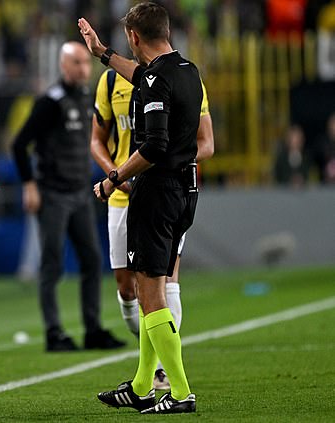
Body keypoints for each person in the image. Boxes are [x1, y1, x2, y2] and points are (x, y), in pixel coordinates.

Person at [79, 2, 202, 414]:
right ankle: (141, 386)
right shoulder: (187, 71)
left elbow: (152, 146)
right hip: (186, 192)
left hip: (157, 195)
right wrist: (100, 52)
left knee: (152, 298)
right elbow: (147, 77)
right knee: (158, 291)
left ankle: (181, 394)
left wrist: (112, 178)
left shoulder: (156, 81)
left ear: (134, 37)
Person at [90, 67, 214, 390]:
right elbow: (96, 141)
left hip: (164, 190)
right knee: (129, 288)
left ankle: (164, 379)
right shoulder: (110, 82)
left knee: (163, 282)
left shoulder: (183, 79)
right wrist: (116, 174)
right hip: (123, 193)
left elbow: (207, 143)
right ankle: (150, 376)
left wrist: (168, 160)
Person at [12, 41, 125, 352]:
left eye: (86, 63)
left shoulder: (88, 97)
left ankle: (92, 330)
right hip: (52, 194)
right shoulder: (50, 101)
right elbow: (19, 145)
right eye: (77, 63)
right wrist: (29, 185)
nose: (84, 69)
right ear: (63, 65)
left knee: (92, 260)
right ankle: (54, 332)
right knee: (52, 264)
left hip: (80, 193)